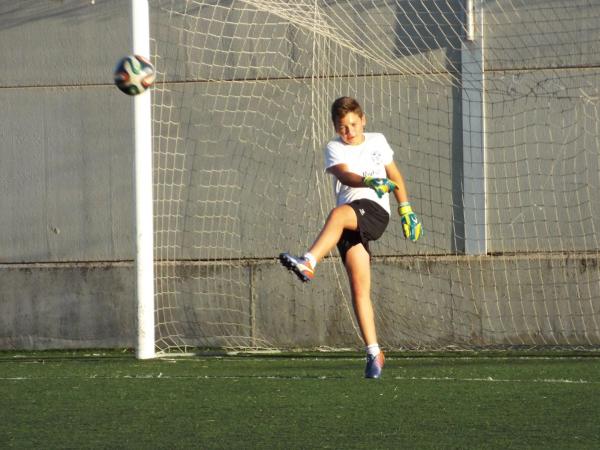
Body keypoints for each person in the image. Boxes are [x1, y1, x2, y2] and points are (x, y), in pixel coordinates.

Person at [279, 96, 422, 379]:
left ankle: (309, 261)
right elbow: (344, 175)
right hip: (349, 223)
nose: (350, 131)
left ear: (363, 120)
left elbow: (395, 176)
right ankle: (374, 353)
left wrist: (406, 210)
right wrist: (367, 180)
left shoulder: (378, 141)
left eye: (354, 124)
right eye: (343, 127)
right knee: (359, 288)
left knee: (339, 213)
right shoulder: (333, 148)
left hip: (374, 211)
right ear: (335, 127)